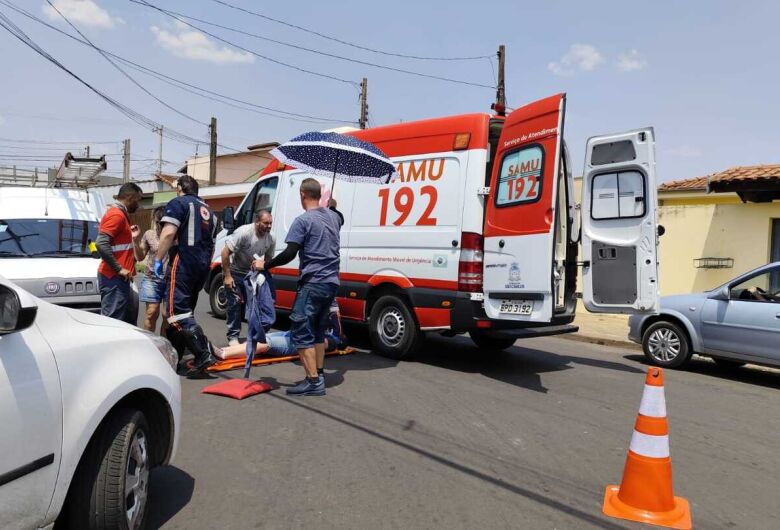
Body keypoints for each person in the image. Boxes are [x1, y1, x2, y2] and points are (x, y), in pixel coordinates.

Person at [261, 178, 343, 396]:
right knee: (318, 331)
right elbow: (340, 217)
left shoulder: (303, 220)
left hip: (313, 283)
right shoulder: (334, 217)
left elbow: (290, 253)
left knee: (301, 331)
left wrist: (265, 265)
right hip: (331, 283)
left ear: (302, 195)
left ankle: (314, 381)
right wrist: (332, 206)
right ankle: (320, 373)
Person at [154, 175, 219, 377]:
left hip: (183, 262)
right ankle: (175, 358)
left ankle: (203, 353)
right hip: (202, 266)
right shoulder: (212, 213)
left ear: (181, 187)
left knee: (175, 312)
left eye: (176, 187)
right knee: (184, 313)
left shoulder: (179, 203)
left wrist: (158, 259)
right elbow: (213, 243)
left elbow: (168, 233)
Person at [221, 210, 275, 346]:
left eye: (271, 223)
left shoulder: (271, 237)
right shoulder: (244, 233)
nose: (269, 226)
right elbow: (225, 253)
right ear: (257, 222)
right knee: (235, 304)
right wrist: (227, 276)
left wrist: (263, 273)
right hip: (236, 272)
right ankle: (233, 336)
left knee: (257, 305)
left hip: (253, 273)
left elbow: (268, 259)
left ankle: (258, 334)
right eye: (266, 223)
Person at [215, 306, 343, 360]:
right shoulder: (328, 307)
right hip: (292, 334)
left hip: (298, 342)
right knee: (261, 338)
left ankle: (223, 353)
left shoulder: (332, 340)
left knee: (265, 343)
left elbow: (320, 344)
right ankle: (221, 350)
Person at [95, 182, 143, 324]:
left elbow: (118, 244)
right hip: (113, 278)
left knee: (122, 322)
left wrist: (130, 234)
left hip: (118, 279)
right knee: (113, 324)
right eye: (137, 200)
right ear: (130, 197)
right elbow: (101, 243)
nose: (138, 205)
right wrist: (119, 268)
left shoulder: (120, 215)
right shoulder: (116, 215)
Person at [135, 207, 168, 333]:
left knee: (167, 316)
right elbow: (140, 256)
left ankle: (163, 345)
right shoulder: (149, 234)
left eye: (162, 223)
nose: (159, 226)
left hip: (170, 279)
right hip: (152, 279)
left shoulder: (175, 235)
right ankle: (150, 342)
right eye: (157, 222)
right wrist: (134, 240)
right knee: (151, 313)